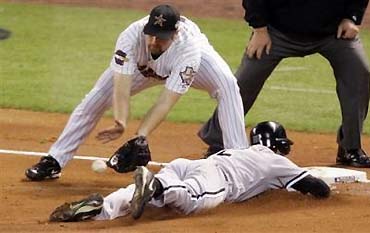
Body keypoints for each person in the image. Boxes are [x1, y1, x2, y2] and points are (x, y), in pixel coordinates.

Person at [25, 4, 249, 181]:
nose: (153, 41)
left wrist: (140, 136)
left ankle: (241, 165)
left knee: (228, 85)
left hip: (189, 63)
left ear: (174, 33)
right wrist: (121, 121)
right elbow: (121, 86)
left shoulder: (189, 50)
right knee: (95, 98)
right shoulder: (130, 37)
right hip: (144, 69)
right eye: (151, 34)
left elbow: (166, 102)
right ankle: (54, 160)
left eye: (160, 37)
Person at [198, 0, 370, 168]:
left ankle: (350, 147)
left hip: (333, 33)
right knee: (242, 83)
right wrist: (259, 29)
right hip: (276, 33)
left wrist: (352, 17)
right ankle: (218, 141)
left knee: (358, 74)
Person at [49, 121, 330, 222]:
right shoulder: (276, 161)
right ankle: (156, 187)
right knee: (193, 198)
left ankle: (102, 209)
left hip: (192, 164)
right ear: (279, 145)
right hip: (217, 179)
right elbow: (318, 188)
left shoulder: (242, 152)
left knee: (142, 195)